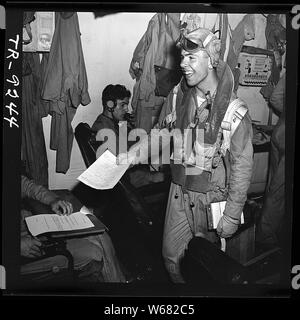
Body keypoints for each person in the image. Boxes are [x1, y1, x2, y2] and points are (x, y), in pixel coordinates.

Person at [119, 27, 254, 283]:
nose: (183, 64)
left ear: (212, 59)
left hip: (211, 197)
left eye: (191, 58)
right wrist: (134, 154)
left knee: (206, 267)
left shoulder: (234, 112)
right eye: (182, 57)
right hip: (178, 190)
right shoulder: (176, 97)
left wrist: (233, 213)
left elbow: (242, 167)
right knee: (171, 258)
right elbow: (161, 133)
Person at [21, 175, 126, 283]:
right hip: (26, 252)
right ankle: (117, 287)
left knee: (99, 233)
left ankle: (120, 284)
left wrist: (53, 200)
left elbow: (27, 186)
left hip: (30, 226)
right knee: (95, 251)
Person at [92, 84, 165, 187]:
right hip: (126, 179)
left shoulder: (115, 122)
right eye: (122, 105)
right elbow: (121, 161)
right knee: (166, 177)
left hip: (133, 171)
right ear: (110, 105)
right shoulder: (103, 128)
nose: (126, 109)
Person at [256, 72, 285, 249]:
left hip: (280, 132)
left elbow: (275, 98)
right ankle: (265, 234)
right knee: (279, 190)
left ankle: (271, 225)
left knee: (273, 184)